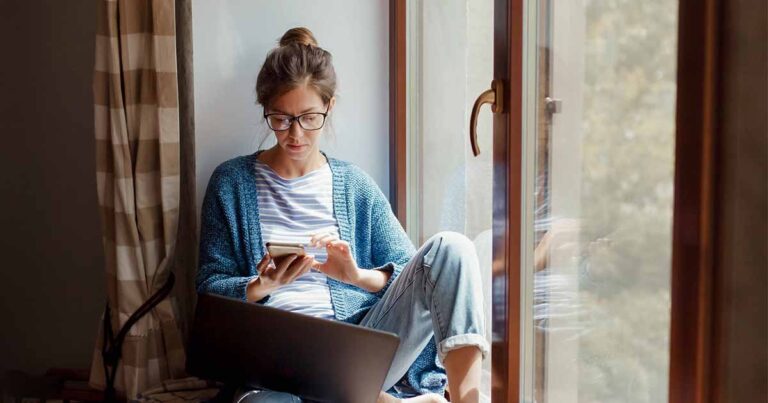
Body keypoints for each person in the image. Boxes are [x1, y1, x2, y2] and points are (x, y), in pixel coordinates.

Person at [197, 27, 488, 403]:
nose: (295, 133)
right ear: (265, 110)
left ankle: (466, 398)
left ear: (329, 107)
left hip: (357, 351)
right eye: (281, 119)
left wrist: (357, 275)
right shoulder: (230, 183)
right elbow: (208, 289)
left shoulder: (354, 185)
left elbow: (416, 275)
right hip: (273, 370)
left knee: (453, 248)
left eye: (308, 117)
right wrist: (261, 286)